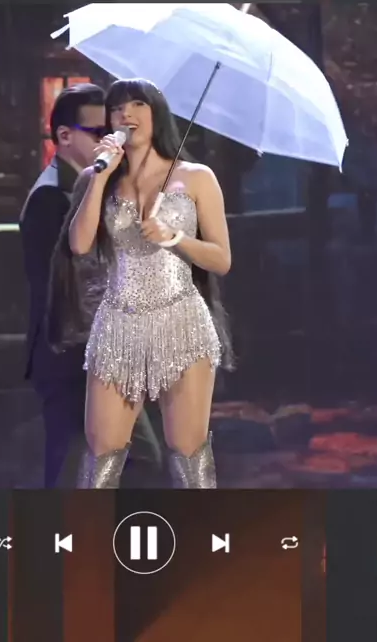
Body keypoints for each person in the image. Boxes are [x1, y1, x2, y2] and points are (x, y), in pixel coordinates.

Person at [49, 78, 234, 489]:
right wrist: (100, 177)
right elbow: (79, 245)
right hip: (118, 322)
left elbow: (221, 260)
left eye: (137, 105)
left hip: (181, 321)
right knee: (101, 454)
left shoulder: (196, 177)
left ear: (157, 114)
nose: (126, 114)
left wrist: (175, 237)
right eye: (117, 108)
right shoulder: (98, 177)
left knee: (187, 452)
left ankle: (203, 529)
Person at [20, 83, 160, 488]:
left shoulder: (82, 188)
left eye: (114, 131)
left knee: (127, 462)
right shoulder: (52, 197)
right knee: (77, 466)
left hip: (93, 350)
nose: (112, 141)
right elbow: (72, 278)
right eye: (99, 132)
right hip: (71, 354)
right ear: (64, 136)